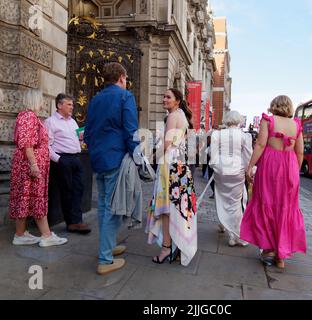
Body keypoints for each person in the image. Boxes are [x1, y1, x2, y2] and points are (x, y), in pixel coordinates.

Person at [84, 62, 140, 275]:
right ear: (122, 78)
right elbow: (131, 131)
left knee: (103, 206)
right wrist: (137, 157)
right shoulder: (125, 97)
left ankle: (108, 246)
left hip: (98, 158)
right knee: (112, 207)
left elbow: (87, 132)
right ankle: (105, 259)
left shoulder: (96, 99)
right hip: (116, 158)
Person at [240, 95, 307, 269]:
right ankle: (281, 256)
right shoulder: (297, 125)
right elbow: (300, 153)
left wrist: (250, 166)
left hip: (270, 167)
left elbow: (261, 145)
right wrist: (295, 172)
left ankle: (268, 250)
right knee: (285, 208)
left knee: (266, 204)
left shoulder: (268, 120)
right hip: (290, 167)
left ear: (274, 106)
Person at [9, 89, 68, 247]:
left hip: (26, 165)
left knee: (25, 198)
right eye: (41, 99)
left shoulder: (26, 116)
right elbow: (27, 143)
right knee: (36, 198)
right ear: (35, 100)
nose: (43, 103)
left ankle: (20, 234)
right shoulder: (29, 116)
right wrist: (34, 164)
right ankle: (47, 235)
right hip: (30, 166)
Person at [146, 88, 198, 267]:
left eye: (168, 97)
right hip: (180, 167)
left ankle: (166, 248)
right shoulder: (182, 116)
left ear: (177, 101)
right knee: (177, 207)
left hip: (170, 166)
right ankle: (177, 244)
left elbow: (167, 146)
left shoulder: (172, 117)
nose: (164, 99)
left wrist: (149, 157)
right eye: (163, 96)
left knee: (166, 208)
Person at [44, 94, 91, 235]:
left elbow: (77, 138)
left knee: (79, 189)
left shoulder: (72, 121)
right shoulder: (50, 122)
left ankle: (77, 221)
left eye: (72, 104)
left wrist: (82, 139)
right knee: (67, 191)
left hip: (76, 158)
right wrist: (58, 159)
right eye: (69, 104)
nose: (72, 107)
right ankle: (71, 223)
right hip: (62, 160)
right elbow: (46, 145)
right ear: (59, 105)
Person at [210, 111, 252, 247]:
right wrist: (248, 171)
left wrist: (216, 167)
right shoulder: (245, 136)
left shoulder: (217, 134)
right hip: (237, 170)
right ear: (239, 121)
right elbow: (247, 156)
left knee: (221, 198)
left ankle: (224, 224)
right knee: (235, 203)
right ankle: (234, 236)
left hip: (221, 169)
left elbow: (213, 154)